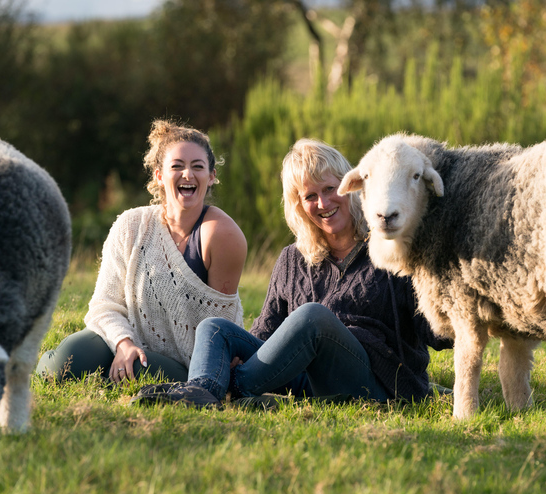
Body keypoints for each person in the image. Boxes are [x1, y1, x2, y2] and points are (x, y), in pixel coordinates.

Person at [134, 138, 452, 406]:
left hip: (377, 383)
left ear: (352, 185)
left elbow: (439, 332)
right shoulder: (293, 260)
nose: (323, 202)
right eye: (310, 196)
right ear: (299, 205)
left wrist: (450, 282)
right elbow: (266, 332)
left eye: (330, 188)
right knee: (216, 328)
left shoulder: (390, 248)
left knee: (313, 317)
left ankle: (233, 388)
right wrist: (242, 351)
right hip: (305, 382)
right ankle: (202, 389)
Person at [37, 120, 247, 384]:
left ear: (212, 175)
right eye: (177, 166)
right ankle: (104, 369)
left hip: (190, 363)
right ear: (159, 175)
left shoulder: (222, 234)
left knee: (138, 369)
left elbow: (219, 330)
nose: (187, 175)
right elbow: (105, 305)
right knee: (64, 362)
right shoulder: (131, 226)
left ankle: (112, 379)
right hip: (125, 339)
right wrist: (124, 344)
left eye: (198, 167)